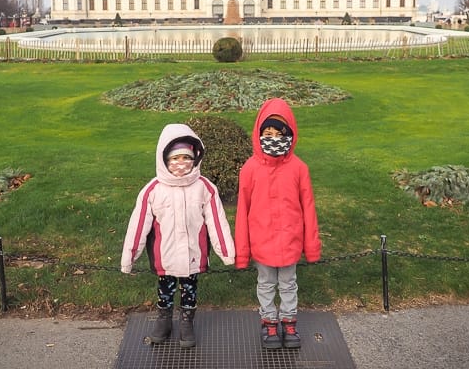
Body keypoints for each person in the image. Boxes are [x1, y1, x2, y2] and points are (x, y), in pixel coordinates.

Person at [121, 123, 235, 348]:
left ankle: (186, 321)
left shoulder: (205, 188)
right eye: (174, 159)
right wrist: (130, 256)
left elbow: (217, 221)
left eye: (186, 158)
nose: (180, 164)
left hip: (194, 252)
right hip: (166, 254)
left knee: (190, 289)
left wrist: (227, 252)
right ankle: (164, 318)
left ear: (195, 158)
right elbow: (138, 225)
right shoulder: (153, 190)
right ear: (164, 160)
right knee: (165, 288)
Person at [235, 98, 321, 349]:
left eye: (279, 133)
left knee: (288, 283)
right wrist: (242, 252)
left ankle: (288, 321)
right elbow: (243, 211)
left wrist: (312, 246)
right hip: (261, 241)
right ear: (259, 134)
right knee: (265, 284)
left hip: (290, 240)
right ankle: (269, 322)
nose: (273, 138)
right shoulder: (250, 169)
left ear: (289, 135)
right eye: (268, 133)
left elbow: (308, 209)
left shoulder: (299, 168)